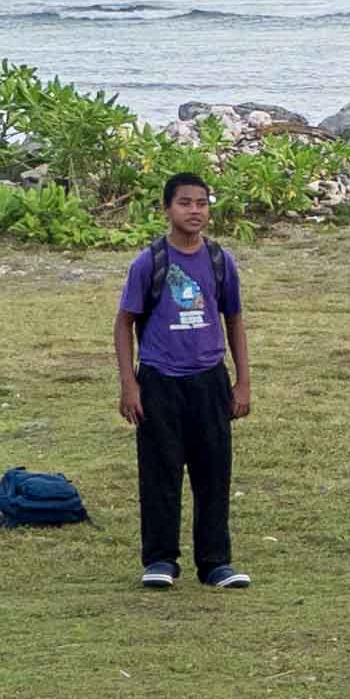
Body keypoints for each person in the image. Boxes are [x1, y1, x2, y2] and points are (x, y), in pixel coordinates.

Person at [114, 172, 251, 591]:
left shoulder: (220, 261)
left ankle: (215, 563)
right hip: (159, 380)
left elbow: (234, 320)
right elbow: (124, 323)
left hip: (209, 380)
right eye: (185, 203)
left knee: (214, 473)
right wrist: (129, 385)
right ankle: (160, 559)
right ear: (167, 209)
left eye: (202, 203)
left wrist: (243, 382)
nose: (195, 211)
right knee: (160, 473)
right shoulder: (149, 262)